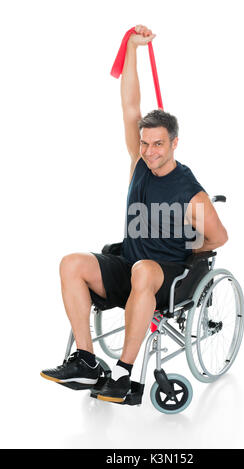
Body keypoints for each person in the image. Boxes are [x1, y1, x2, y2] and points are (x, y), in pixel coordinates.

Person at [40, 24, 228, 403]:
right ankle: (87, 360)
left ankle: (124, 375)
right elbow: (130, 105)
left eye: (159, 143)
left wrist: (193, 248)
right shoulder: (139, 163)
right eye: (145, 142)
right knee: (71, 263)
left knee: (144, 270)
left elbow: (220, 238)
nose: (150, 150)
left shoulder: (191, 193)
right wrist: (132, 48)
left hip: (165, 273)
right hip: (131, 262)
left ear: (175, 143)